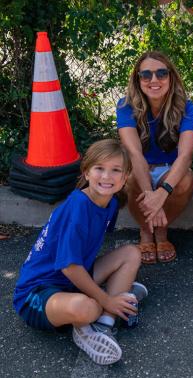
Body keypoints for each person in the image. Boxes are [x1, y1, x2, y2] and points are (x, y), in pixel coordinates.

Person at [13, 139, 148, 366]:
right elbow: (69, 266)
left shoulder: (111, 202)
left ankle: (105, 323)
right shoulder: (77, 207)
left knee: (132, 253)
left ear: (125, 177)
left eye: (116, 170)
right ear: (86, 172)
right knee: (87, 307)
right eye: (99, 169)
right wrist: (105, 298)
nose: (107, 177)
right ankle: (106, 307)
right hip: (37, 293)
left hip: (70, 282)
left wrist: (105, 301)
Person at [117, 51, 193, 264]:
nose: (154, 80)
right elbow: (134, 153)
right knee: (132, 175)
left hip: (169, 171)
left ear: (171, 77)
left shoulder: (186, 108)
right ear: (138, 79)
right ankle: (146, 231)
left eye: (161, 73)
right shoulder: (125, 106)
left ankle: (161, 232)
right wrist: (150, 196)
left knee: (186, 179)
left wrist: (162, 193)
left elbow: (186, 155)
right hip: (139, 169)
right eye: (146, 75)